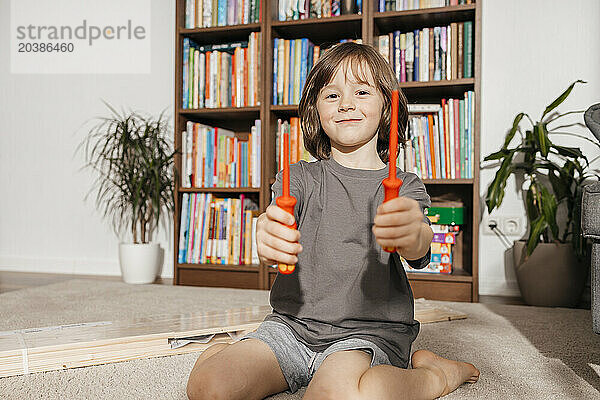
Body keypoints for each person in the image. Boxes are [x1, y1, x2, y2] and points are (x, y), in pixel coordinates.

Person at [186, 42, 479, 400]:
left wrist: (411, 231)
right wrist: (265, 231)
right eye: (332, 95)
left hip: (367, 333)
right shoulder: (298, 178)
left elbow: (421, 246)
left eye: (361, 92)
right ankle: (223, 347)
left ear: (387, 105)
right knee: (209, 389)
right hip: (291, 328)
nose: (346, 104)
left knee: (332, 396)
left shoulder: (404, 185)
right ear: (316, 110)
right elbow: (277, 219)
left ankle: (437, 375)